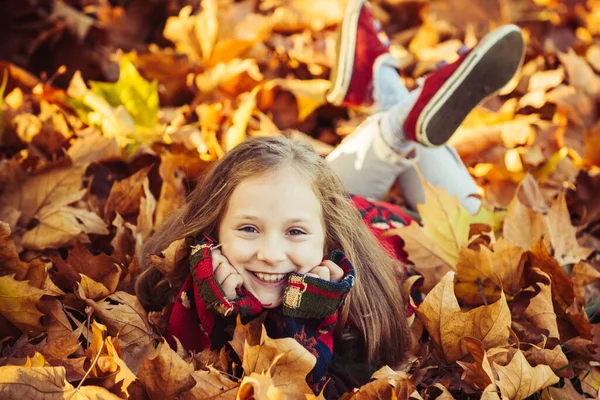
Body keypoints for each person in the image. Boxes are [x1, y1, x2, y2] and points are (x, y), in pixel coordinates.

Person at [135, 1, 525, 397]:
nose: (270, 254)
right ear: (214, 225)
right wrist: (216, 303)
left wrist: (303, 318)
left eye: (294, 233)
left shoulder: (359, 294)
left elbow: (337, 387)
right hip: (316, 205)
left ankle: (388, 95)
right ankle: (387, 90)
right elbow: (182, 352)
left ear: (329, 239)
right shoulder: (202, 264)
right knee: (300, 177)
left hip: (415, 229)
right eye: (248, 228)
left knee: (487, 240)